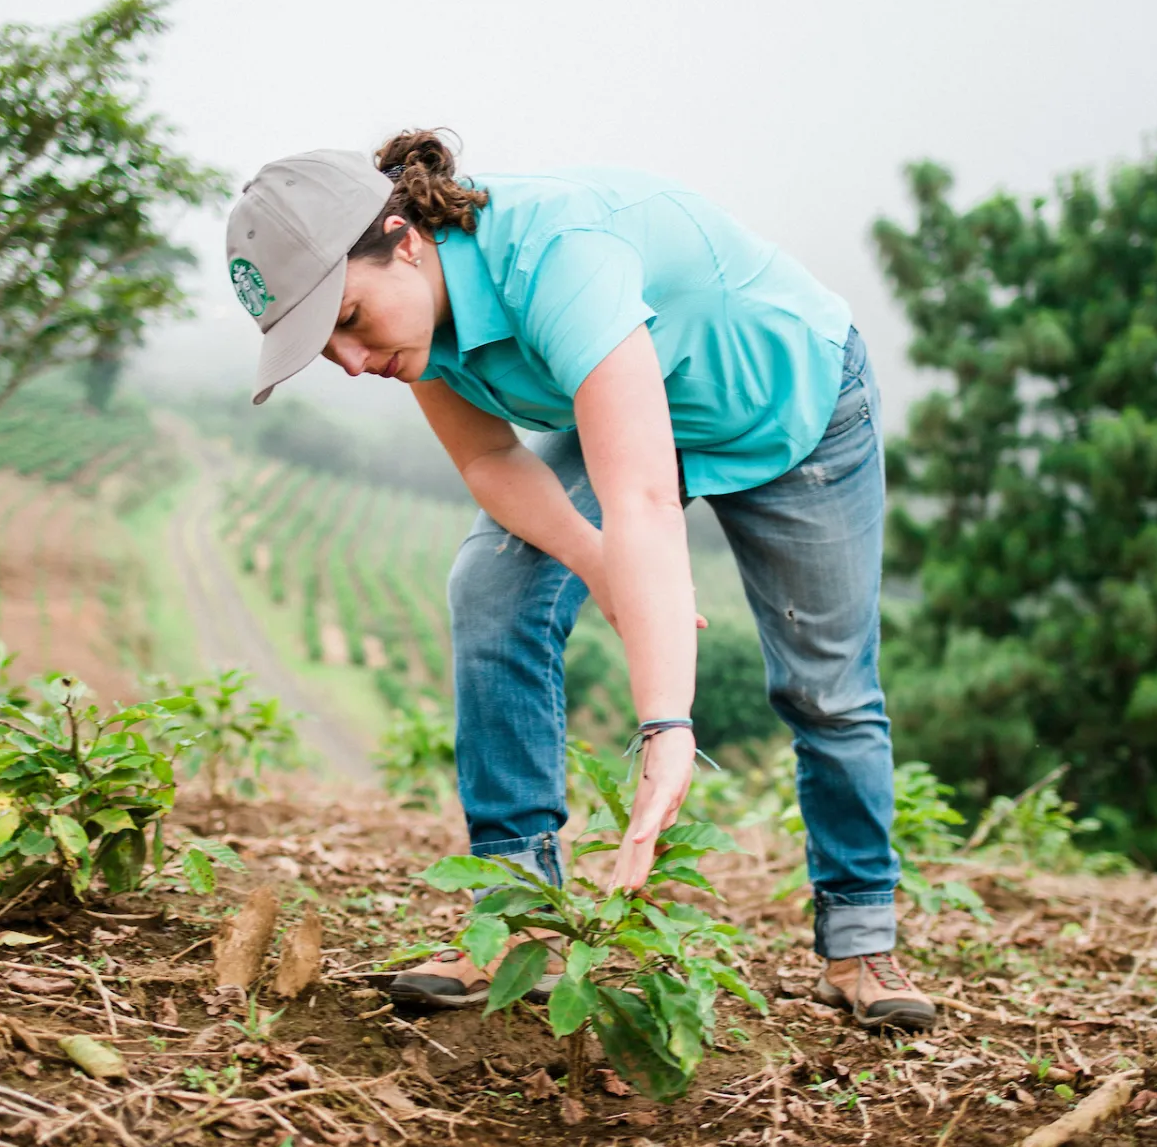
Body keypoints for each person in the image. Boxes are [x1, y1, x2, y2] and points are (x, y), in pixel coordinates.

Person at [224, 131, 935, 1032]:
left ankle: (861, 940)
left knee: (825, 684)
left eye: (351, 319)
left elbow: (642, 500)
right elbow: (489, 461)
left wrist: (666, 726)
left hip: (790, 410)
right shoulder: (420, 328)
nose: (355, 362)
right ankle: (518, 914)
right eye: (326, 347)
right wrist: (597, 565)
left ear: (404, 240)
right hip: (639, 416)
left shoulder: (556, 256)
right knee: (493, 586)